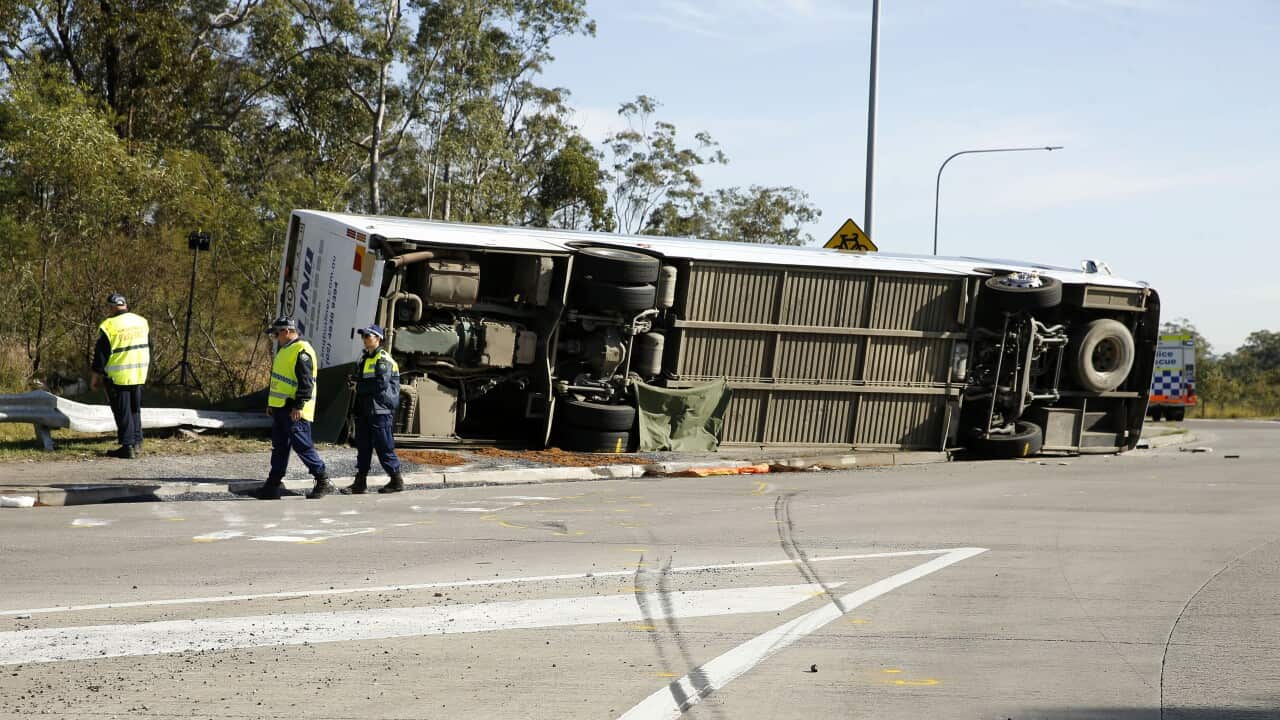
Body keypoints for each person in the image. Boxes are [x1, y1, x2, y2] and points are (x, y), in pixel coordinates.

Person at [255, 316, 334, 500]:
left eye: (276, 333)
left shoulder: (302, 350)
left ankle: (323, 480)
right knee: (279, 448)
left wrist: (298, 405)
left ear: (287, 331)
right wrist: (271, 404)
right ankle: (272, 486)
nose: (275, 337)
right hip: (281, 408)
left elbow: (306, 383)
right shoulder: (285, 349)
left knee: (303, 447)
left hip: (294, 410)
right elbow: (280, 381)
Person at [341, 324, 406, 494]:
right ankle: (360, 483)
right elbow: (365, 381)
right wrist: (354, 381)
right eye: (363, 336)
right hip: (365, 409)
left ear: (378, 338)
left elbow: (380, 384)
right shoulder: (364, 359)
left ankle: (396, 480)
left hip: (380, 410)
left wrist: (358, 385)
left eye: (368, 335)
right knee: (363, 446)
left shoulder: (383, 359)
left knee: (384, 446)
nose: (364, 338)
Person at [90, 293, 150, 459]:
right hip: (138, 373)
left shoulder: (109, 325)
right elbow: (149, 346)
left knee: (122, 411)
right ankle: (137, 442)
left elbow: (101, 354)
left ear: (111, 307)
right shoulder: (141, 322)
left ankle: (127, 446)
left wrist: (95, 377)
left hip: (119, 376)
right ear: (125, 305)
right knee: (135, 409)